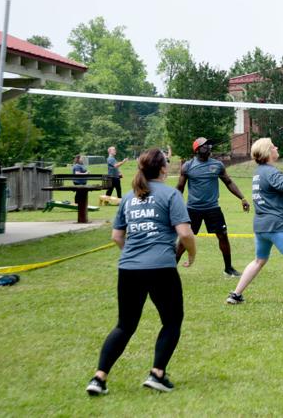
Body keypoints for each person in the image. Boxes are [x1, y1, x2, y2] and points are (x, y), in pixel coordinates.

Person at [85, 149, 196, 396]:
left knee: (124, 325)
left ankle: (99, 378)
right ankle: (157, 374)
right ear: (163, 168)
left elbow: (117, 237)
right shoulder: (171, 195)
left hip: (128, 269)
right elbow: (185, 233)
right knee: (172, 321)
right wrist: (191, 254)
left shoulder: (129, 197)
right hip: (161, 268)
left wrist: (134, 255)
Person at [226, 138, 283, 312]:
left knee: (259, 260)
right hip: (276, 225)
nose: (276, 147)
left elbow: (282, 187)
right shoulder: (271, 171)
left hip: (261, 226)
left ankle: (235, 295)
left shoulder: (259, 172)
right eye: (273, 146)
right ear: (268, 152)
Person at [175, 137, 250, 277]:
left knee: (223, 236)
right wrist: (174, 205)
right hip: (193, 209)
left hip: (213, 209)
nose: (209, 147)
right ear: (197, 149)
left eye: (209, 145)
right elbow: (180, 187)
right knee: (184, 239)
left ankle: (228, 269)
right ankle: (170, 270)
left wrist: (242, 198)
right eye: (205, 145)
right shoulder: (188, 166)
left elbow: (228, 182)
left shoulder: (217, 165)